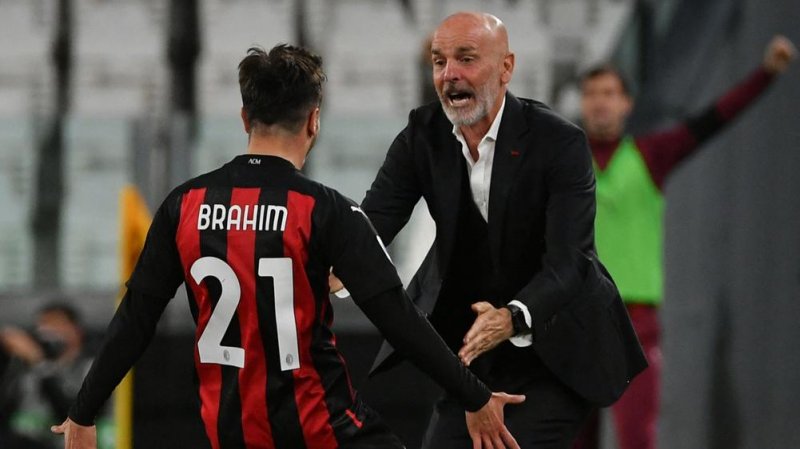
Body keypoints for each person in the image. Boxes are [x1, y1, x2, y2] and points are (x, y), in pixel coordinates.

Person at [51, 44, 526, 449]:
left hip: (232, 434)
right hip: (324, 430)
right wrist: (475, 396)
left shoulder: (183, 205)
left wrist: (83, 412)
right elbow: (400, 321)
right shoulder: (327, 210)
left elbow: (135, 318)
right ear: (314, 121)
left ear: (245, 118)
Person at [347, 11, 647, 449]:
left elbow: (571, 260)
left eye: (466, 58)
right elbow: (372, 224)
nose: (449, 74)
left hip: (555, 350)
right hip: (475, 359)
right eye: (439, 61)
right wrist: (332, 261)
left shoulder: (558, 141)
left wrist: (511, 317)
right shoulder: (422, 135)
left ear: (506, 68)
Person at [572, 36, 796, 449]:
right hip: (577, 320)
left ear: (627, 104)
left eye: (609, 93)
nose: (600, 102)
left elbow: (711, 121)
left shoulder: (649, 155)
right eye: (591, 94)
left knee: (638, 437)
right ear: (581, 104)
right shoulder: (565, 162)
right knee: (573, 439)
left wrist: (766, 73)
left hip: (634, 324)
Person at [0, 303, 102, 449]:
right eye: (43, 324)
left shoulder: (90, 368)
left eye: (56, 324)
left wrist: (39, 363)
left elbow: (70, 416)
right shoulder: (26, 369)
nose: (47, 331)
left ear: (76, 330)